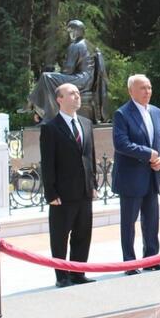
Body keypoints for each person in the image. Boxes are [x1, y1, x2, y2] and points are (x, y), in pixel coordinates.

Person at [39, 83, 97, 288]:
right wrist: (50, 193)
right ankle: (62, 276)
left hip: (84, 191)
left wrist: (93, 184)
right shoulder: (50, 127)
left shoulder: (86, 123)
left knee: (83, 234)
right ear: (59, 99)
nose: (77, 96)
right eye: (71, 93)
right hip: (62, 194)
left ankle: (78, 273)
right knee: (60, 236)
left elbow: (90, 156)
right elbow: (47, 163)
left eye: (78, 93)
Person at [112, 74, 160, 275]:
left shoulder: (156, 112)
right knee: (129, 223)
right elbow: (121, 143)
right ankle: (129, 263)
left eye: (149, 87)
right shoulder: (122, 114)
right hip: (131, 178)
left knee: (152, 221)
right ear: (131, 91)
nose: (147, 91)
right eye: (142, 88)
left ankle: (152, 259)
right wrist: (148, 154)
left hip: (152, 176)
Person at [24, 20, 95, 120]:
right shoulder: (88, 45)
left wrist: (59, 73)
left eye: (71, 31)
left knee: (47, 77)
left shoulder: (76, 45)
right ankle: (36, 107)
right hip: (88, 79)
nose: (70, 34)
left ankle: (36, 107)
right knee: (49, 77)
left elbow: (68, 70)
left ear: (76, 31)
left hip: (80, 79)